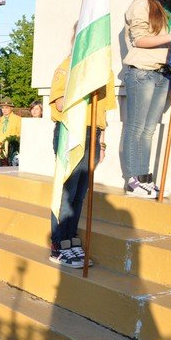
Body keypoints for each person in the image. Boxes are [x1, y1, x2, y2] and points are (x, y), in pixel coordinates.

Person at [49, 54, 115, 267]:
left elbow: (102, 111)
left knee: (79, 194)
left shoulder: (104, 69)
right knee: (67, 191)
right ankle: (59, 244)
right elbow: (60, 104)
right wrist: (86, 84)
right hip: (71, 130)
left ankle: (71, 238)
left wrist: (102, 143)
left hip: (93, 133)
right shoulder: (68, 66)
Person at [122, 0, 171, 198]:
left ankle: (144, 179)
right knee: (136, 128)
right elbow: (139, 39)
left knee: (148, 130)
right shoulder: (142, 3)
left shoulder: (169, 5)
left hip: (162, 73)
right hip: (142, 72)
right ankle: (133, 180)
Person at [0, 97, 22, 164]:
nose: (4, 110)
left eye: (6, 108)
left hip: (13, 150)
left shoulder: (18, 119)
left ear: (11, 108)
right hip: (1, 150)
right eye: (2, 108)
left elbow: (20, 135)